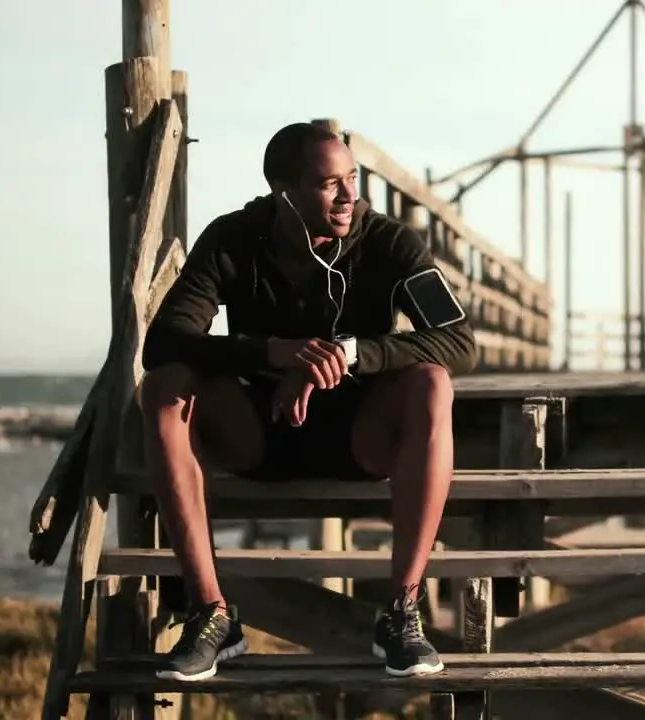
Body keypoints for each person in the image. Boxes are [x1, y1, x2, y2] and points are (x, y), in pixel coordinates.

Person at [139, 121, 476, 682]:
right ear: (284, 193)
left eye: (353, 179)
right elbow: (165, 341)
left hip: (357, 436)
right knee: (164, 385)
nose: (349, 196)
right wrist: (275, 353)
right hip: (260, 431)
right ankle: (212, 615)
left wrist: (346, 354)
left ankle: (399, 613)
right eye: (329, 185)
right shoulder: (232, 238)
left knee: (432, 383)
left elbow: (459, 342)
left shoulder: (390, 242)